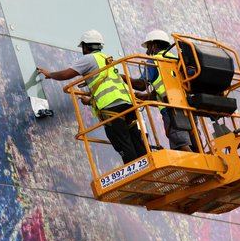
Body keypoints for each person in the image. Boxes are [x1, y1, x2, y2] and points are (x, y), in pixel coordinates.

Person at [37, 29, 146, 164]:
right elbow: (105, 87)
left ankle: (136, 175)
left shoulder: (89, 59)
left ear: (86, 46)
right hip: (127, 104)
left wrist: (50, 74)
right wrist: (89, 101)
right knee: (135, 139)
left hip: (111, 108)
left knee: (122, 142)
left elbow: (67, 74)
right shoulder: (105, 60)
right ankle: (148, 169)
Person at [126, 29, 195, 152]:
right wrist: (146, 97)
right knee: (194, 143)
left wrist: (124, 78)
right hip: (188, 106)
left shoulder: (154, 61)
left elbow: (142, 85)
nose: (148, 52)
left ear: (155, 45)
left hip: (171, 109)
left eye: (148, 47)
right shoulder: (176, 59)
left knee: (180, 143)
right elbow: (168, 86)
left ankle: (200, 170)